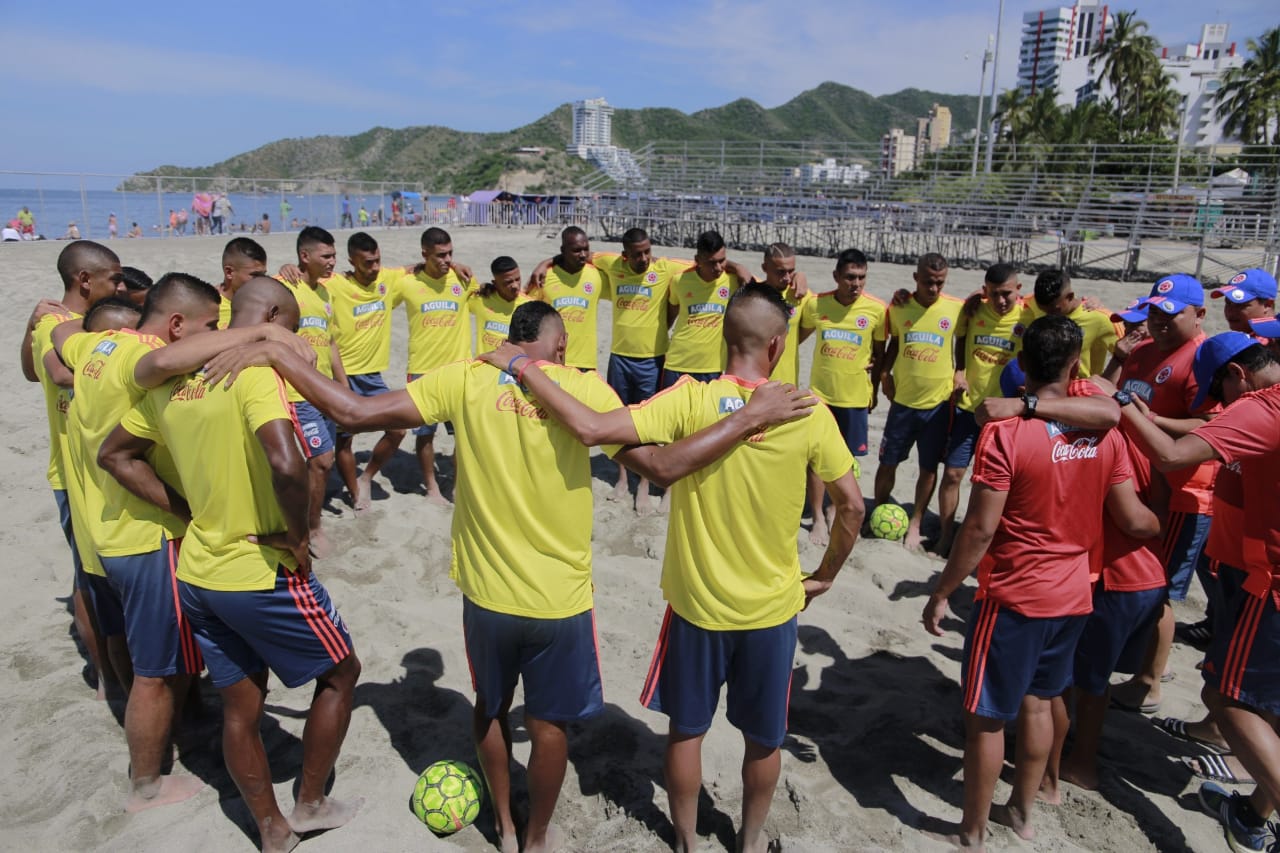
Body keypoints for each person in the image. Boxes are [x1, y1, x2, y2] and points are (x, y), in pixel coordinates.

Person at [201, 298, 813, 853]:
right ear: (561, 348)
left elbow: (351, 411)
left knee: (490, 709)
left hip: (486, 595)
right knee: (549, 728)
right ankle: (538, 839)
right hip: (559, 599)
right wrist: (747, 419)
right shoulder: (582, 389)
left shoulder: (466, 377)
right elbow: (659, 465)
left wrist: (277, 354)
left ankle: (503, 820)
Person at [487, 284, 863, 853]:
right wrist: (826, 572)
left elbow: (595, 428)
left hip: (696, 605)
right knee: (765, 741)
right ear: (779, 344)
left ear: (720, 336)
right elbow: (852, 507)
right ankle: (752, 841)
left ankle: (687, 841)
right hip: (772, 608)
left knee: (687, 731)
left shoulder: (690, 399)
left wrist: (522, 366)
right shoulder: (806, 410)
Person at [100, 278, 361, 853]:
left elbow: (114, 454)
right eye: (287, 325)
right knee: (341, 673)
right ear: (268, 315)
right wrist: (298, 536)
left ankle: (270, 830)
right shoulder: (254, 374)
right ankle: (311, 803)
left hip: (197, 569)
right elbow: (289, 464)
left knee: (241, 705)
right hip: (259, 569)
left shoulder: (167, 383)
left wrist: (190, 510)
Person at [58, 276, 311, 813]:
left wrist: (49, 315)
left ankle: (184, 725)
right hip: (145, 534)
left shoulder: (94, 344)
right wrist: (264, 333)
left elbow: (60, 335)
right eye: (209, 328)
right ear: (175, 326)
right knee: (156, 671)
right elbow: (152, 376)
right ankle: (148, 781)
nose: (216, 337)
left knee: (156, 654)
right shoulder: (138, 355)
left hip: (100, 527)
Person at [922, 315, 1157, 850]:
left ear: (1020, 364)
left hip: (1014, 592)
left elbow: (980, 528)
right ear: (1076, 364)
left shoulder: (1006, 432)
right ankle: (1023, 814)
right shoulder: (1104, 432)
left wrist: (941, 591)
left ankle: (971, 831)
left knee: (985, 717)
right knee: (1040, 704)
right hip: (1075, 588)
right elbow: (1131, 516)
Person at [1112, 333, 1280, 852]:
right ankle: (1252, 813)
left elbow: (1169, 456)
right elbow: (1209, 426)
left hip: (1272, 584)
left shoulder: (1261, 406)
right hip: (1246, 565)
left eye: (1221, 391)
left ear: (1239, 374)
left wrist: (1118, 401)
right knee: (1270, 706)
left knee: (1225, 698)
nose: (1220, 406)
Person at [1103, 274, 1219, 715]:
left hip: (1182, 493)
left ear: (1198, 315)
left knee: (1161, 591)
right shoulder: (1145, 350)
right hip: (1139, 483)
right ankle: (1140, 663)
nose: (1159, 322)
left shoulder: (1201, 359)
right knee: (1140, 580)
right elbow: (1117, 397)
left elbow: (1212, 425)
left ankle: (1149, 682)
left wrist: (1153, 421)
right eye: (1154, 313)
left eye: (1170, 316)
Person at [22, 241, 125, 697]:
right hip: (73, 474)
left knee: (101, 575)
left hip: (98, 468)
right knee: (87, 576)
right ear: (85, 280)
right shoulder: (58, 325)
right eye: (114, 279)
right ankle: (105, 674)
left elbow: (28, 373)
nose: (120, 287)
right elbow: (60, 375)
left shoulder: (55, 323)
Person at [935, 263, 1033, 557]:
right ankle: (945, 537)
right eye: (994, 294)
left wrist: (1094, 304)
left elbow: (1071, 307)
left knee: (1000, 486)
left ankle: (989, 541)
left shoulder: (1029, 314)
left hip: (1008, 415)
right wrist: (960, 369)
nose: (1001, 301)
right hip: (969, 409)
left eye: (1006, 294)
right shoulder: (974, 309)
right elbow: (961, 338)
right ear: (984, 291)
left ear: (1018, 289)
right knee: (952, 475)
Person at [875, 252, 964, 551]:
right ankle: (879, 509)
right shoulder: (899, 307)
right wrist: (885, 372)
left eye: (940, 282)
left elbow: (993, 301)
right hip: (902, 403)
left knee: (928, 469)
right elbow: (895, 342)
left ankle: (915, 523)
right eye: (928, 282)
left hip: (938, 407)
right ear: (916, 278)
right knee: (887, 463)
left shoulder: (956, 308)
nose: (934, 289)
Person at [801, 248, 885, 545]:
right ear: (837, 276)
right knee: (815, 458)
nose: (856, 283)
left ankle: (834, 511)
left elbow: (881, 353)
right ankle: (817, 518)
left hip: (855, 399)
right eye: (850, 277)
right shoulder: (817, 304)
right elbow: (797, 336)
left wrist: (874, 387)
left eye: (861, 277)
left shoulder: (877, 310)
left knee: (845, 461)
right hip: (821, 396)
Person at [325, 231, 408, 511]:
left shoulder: (387, 278)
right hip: (340, 376)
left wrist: (456, 266)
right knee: (344, 441)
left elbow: (420, 269)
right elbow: (298, 281)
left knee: (398, 430)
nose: (374, 268)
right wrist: (289, 270)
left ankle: (367, 476)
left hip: (372, 377)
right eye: (366, 263)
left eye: (377, 261)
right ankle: (354, 492)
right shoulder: (334, 284)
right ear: (351, 261)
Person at [397, 227, 474, 505]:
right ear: (424, 254)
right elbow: (375, 293)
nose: (447, 259)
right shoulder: (406, 282)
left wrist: (456, 264)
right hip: (422, 371)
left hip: (459, 371)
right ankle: (431, 487)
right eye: (440, 255)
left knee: (464, 435)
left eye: (450, 254)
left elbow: (497, 294)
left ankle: (456, 485)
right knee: (425, 434)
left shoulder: (462, 279)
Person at [281, 227, 346, 555]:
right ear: (304, 257)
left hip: (324, 391)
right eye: (326, 256)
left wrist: (342, 386)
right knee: (321, 460)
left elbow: (331, 342)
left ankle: (306, 515)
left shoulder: (325, 293)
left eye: (334, 255)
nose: (333, 261)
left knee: (319, 462)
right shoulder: (285, 287)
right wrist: (281, 270)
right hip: (298, 391)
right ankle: (313, 527)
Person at [663, 230, 744, 388]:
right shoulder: (680, 281)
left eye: (722, 261)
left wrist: (739, 267)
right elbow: (670, 316)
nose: (718, 267)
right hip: (677, 364)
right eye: (711, 263)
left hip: (712, 367)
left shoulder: (734, 281)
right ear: (697, 260)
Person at [528, 227, 607, 371]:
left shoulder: (596, 275)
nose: (583, 255)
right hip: (551, 360)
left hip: (585, 362)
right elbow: (523, 307)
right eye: (576, 250)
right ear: (563, 250)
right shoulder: (544, 277)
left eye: (586, 249)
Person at [1027, 269, 1118, 377]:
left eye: (1055, 310)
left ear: (1070, 296)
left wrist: (1106, 382)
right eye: (1043, 310)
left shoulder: (1099, 319)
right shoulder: (1033, 305)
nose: (1049, 316)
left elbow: (1126, 354)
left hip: (1081, 390)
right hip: (1046, 388)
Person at [759, 243, 814, 386]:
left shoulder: (801, 296)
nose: (787, 278)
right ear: (765, 268)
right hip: (757, 382)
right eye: (780, 272)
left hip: (788, 383)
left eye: (791, 271)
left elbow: (799, 336)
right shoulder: (753, 295)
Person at [469, 256, 529, 355]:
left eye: (517, 279)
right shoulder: (482, 299)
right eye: (508, 282)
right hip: (484, 367)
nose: (515, 285)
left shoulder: (529, 306)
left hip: (512, 368)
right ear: (495, 283)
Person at [216, 237, 269, 329]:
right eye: (255, 275)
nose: (261, 281)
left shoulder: (265, 301)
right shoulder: (209, 306)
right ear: (229, 272)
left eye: (263, 274)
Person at [1211, 268, 1276, 335]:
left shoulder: (1269, 343)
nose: (1231, 311)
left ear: (1267, 305)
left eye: (1240, 305)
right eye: (1228, 303)